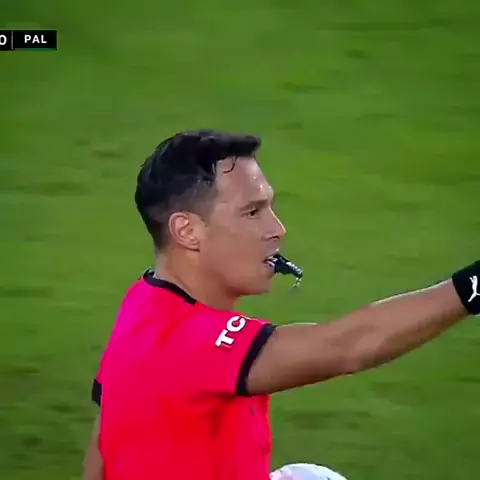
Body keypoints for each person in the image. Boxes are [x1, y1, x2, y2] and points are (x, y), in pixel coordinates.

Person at [82, 129, 480, 480]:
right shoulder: (188, 340)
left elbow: (104, 442)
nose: (277, 229)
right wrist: (473, 288)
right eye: (252, 212)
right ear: (187, 231)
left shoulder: (144, 302)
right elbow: (346, 347)